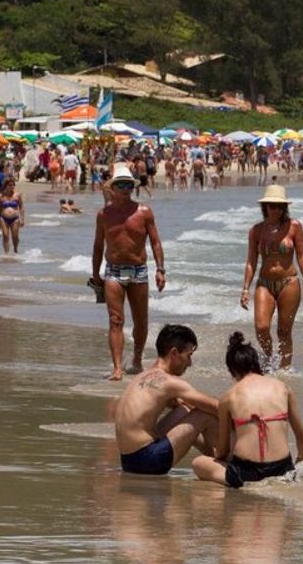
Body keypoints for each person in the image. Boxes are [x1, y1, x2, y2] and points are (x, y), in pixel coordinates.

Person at [192, 332, 303, 488]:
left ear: (232, 370)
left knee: (198, 463)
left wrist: (218, 456)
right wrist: (298, 463)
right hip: (283, 469)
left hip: (247, 473)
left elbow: (223, 449)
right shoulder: (283, 388)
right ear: (257, 364)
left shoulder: (228, 397)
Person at [92, 164, 166, 381]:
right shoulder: (103, 214)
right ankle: (117, 367)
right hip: (113, 271)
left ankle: (136, 358)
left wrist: (160, 269)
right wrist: (95, 273)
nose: (125, 189)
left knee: (141, 321)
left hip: (139, 270)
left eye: (128, 185)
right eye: (120, 185)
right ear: (113, 188)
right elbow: (98, 245)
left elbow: (155, 242)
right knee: (116, 320)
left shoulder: (144, 212)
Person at [114, 324, 219, 475]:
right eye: (188, 356)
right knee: (204, 415)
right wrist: (248, 414)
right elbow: (215, 407)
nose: (190, 363)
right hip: (147, 461)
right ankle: (225, 460)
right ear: (174, 353)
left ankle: (216, 456)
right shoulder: (169, 382)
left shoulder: (143, 376)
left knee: (184, 410)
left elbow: (180, 404)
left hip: (128, 460)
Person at [241, 185, 303, 371]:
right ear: (265, 207)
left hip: (289, 282)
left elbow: (302, 256)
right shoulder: (256, 230)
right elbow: (251, 261)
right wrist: (245, 289)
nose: (276, 210)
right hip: (264, 283)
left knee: (284, 331)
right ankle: (268, 359)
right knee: (262, 327)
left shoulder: (294, 226)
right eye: (272, 206)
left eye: (280, 206)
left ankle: (284, 370)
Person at [0, 178, 24, 254]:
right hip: (3, 218)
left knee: (15, 236)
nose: (12, 186)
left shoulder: (17, 195)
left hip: (15, 219)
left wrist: (22, 219)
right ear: (6, 186)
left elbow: (21, 207)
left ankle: (15, 249)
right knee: (5, 235)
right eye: (10, 185)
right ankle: (6, 253)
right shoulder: (1, 196)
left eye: (13, 185)